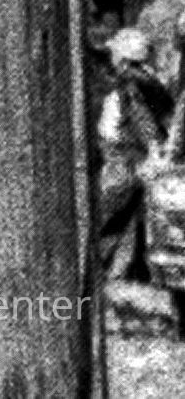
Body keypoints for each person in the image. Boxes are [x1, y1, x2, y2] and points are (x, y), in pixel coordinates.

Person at [96, 26, 174, 287]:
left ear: (124, 56)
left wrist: (151, 149)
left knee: (113, 209)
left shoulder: (132, 81)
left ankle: (102, 267)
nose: (112, 58)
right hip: (134, 154)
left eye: (115, 53)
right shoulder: (146, 79)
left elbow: (142, 119)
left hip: (127, 155)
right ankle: (134, 270)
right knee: (134, 213)